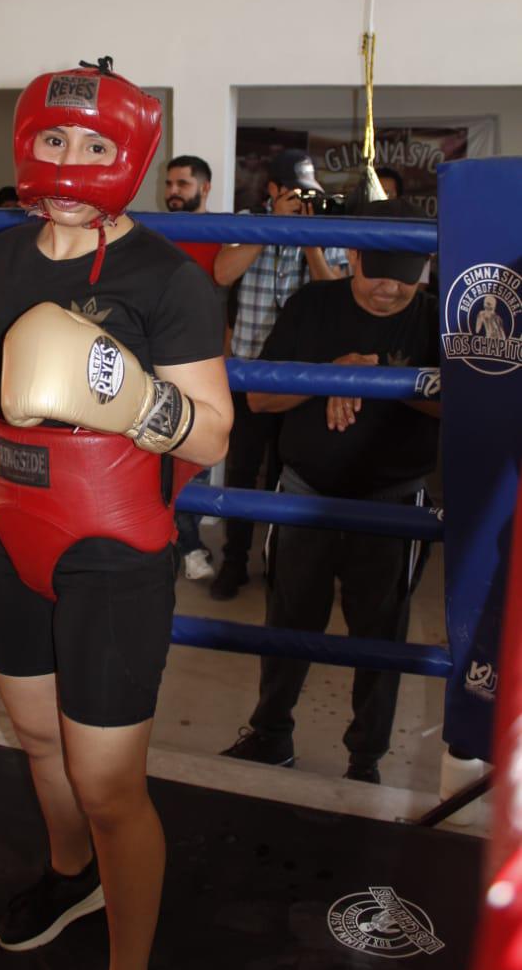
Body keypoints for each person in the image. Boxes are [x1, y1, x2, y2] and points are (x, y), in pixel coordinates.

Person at [0, 58, 232, 970]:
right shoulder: (3, 254)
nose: (72, 159)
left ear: (129, 157)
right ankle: (69, 877)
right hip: (13, 525)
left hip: (112, 548)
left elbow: (209, 433)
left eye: (95, 144)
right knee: (41, 743)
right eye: (55, 140)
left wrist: (131, 400)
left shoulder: (167, 278)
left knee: (108, 782)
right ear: (25, 147)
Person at [220, 198, 440, 784]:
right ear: (355, 256)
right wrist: (332, 373)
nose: (390, 290)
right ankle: (270, 735)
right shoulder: (314, 304)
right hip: (304, 489)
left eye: (406, 277)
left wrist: (384, 381)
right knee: (289, 622)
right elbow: (260, 398)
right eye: (378, 272)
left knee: (381, 635)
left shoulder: (439, 317)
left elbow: (465, 404)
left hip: (394, 501)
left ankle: (365, 760)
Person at [209, 149, 349, 600]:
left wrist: (308, 238)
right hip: (250, 374)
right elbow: (222, 273)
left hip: (301, 382)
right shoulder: (250, 220)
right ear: (272, 191)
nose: (304, 199)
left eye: (309, 191)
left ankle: (277, 563)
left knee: (288, 476)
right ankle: (232, 562)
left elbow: (334, 293)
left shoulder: (323, 228)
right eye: (294, 191)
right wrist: (271, 227)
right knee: (242, 472)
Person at [163, 155, 225, 582]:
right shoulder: (154, 232)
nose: (173, 191)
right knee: (165, 454)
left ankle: (186, 546)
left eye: (182, 183)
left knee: (196, 456)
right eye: (169, 183)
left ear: (204, 188)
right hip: (159, 354)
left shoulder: (221, 231)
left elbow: (221, 282)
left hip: (201, 356)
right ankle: (184, 546)